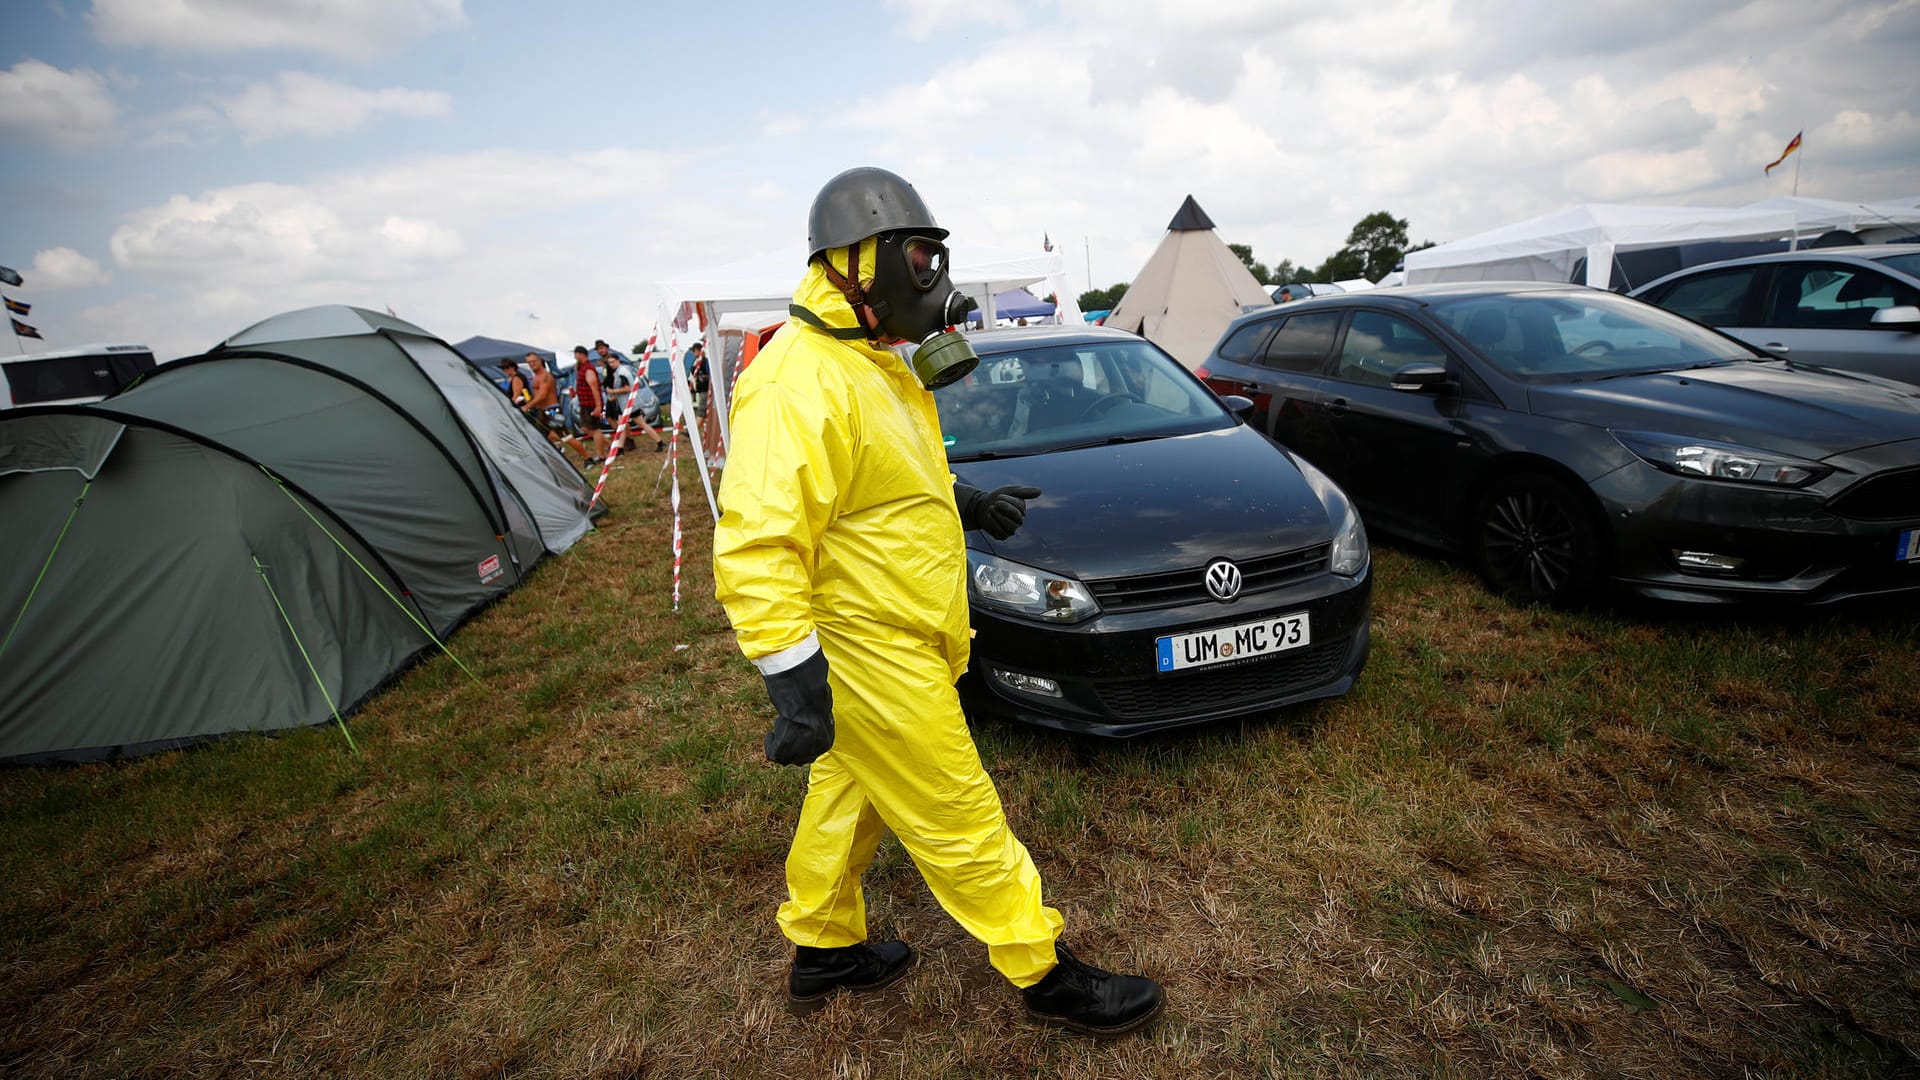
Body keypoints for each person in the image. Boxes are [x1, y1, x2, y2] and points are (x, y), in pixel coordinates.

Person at [712, 166, 1164, 1038]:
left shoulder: (869, 365)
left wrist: (962, 502)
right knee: (957, 808)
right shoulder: (793, 381)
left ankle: (822, 945)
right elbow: (758, 541)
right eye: (921, 258)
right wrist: (789, 674)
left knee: (849, 790)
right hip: (866, 642)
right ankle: (1043, 969)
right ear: (855, 262)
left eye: (935, 257)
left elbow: (875, 482)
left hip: (908, 628)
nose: (935, 280)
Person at [597, 339, 666, 452]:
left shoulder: (622, 373)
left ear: (618, 361)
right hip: (625, 404)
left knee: (638, 424)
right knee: (622, 426)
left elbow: (627, 388)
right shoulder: (620, 371)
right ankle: (620, 448)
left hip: (629, 405)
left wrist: (612, 392)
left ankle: (660, 442)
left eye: (613, 362)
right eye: (609, 363)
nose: (611, 364)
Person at [523, 351, 589, 460]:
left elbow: (543, 394)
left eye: (534, 361)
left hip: (552, 410)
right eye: (529, 362)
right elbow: (538, 394)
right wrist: (530, 401)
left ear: (540, 361)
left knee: (565, 437)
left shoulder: (545, 376)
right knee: (541, 435)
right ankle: (552, 455)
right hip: (541, 411)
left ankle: (588, 458)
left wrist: (528, 405)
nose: (532, 364)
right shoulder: (536, 377)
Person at [571, 345, 612, 465]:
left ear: (580, 354)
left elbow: (594, 388)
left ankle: (601, 455)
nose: (575, 357)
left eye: (576, 355)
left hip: (591, 404)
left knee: (594, 430)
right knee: (585, 428)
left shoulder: (588, 369)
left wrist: (598, 406)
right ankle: (610, 445)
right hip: (584, 403)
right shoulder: (581, 368)